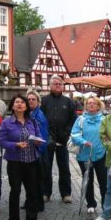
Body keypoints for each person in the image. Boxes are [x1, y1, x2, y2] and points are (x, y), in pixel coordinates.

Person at [0, 95, 43, 220]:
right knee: (15, 190)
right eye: (16, 102)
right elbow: (1, 141)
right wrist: (15, 145)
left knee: (32, 191)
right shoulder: (7, 122)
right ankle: (13, 218)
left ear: (26, 106)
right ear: (12, 106)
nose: (19, 104)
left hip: (31, 161)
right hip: (15, 162)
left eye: (22, 102)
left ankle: (31, 219)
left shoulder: (32, 121)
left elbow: (39, 136)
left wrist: (37, 141)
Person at [41, 75, 76, 203]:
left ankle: (66, 193)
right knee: (46, 168)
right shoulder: (43, 101)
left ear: (62, 86)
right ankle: (46, 193)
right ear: (50, 86)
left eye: (59, 84)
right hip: (47, 140)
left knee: (64, 168)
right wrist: (46, 135)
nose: (57, 85)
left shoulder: (68, 102)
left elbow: (74, 120)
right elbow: (40, 119)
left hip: (63, 140)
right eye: (55, 83)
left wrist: (67, 132)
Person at [71, 96, 107, 213]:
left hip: (101, 155)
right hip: (84, 155)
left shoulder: (104, 120)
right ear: (86, 105)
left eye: (94, 103)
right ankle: (90, 203)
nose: (91, 105)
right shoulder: (80, 120)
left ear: (98, 105)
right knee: (88, 179)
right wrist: (83, 142)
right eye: (89, 103)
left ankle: (106, 205)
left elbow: (109, 135)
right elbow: (74, 135)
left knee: (103, 181)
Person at [27, 90, 49, 212]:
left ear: (38, 102)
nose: (31, 101)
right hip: (29, 151)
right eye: (29, 99)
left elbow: (43, 136)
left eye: (33, 99)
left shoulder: (39, 116)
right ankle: (30, 201)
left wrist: (38, 152)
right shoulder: (28, 114)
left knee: (38, 179)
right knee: (30, 179)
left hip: (37, 152)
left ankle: (38, 204)